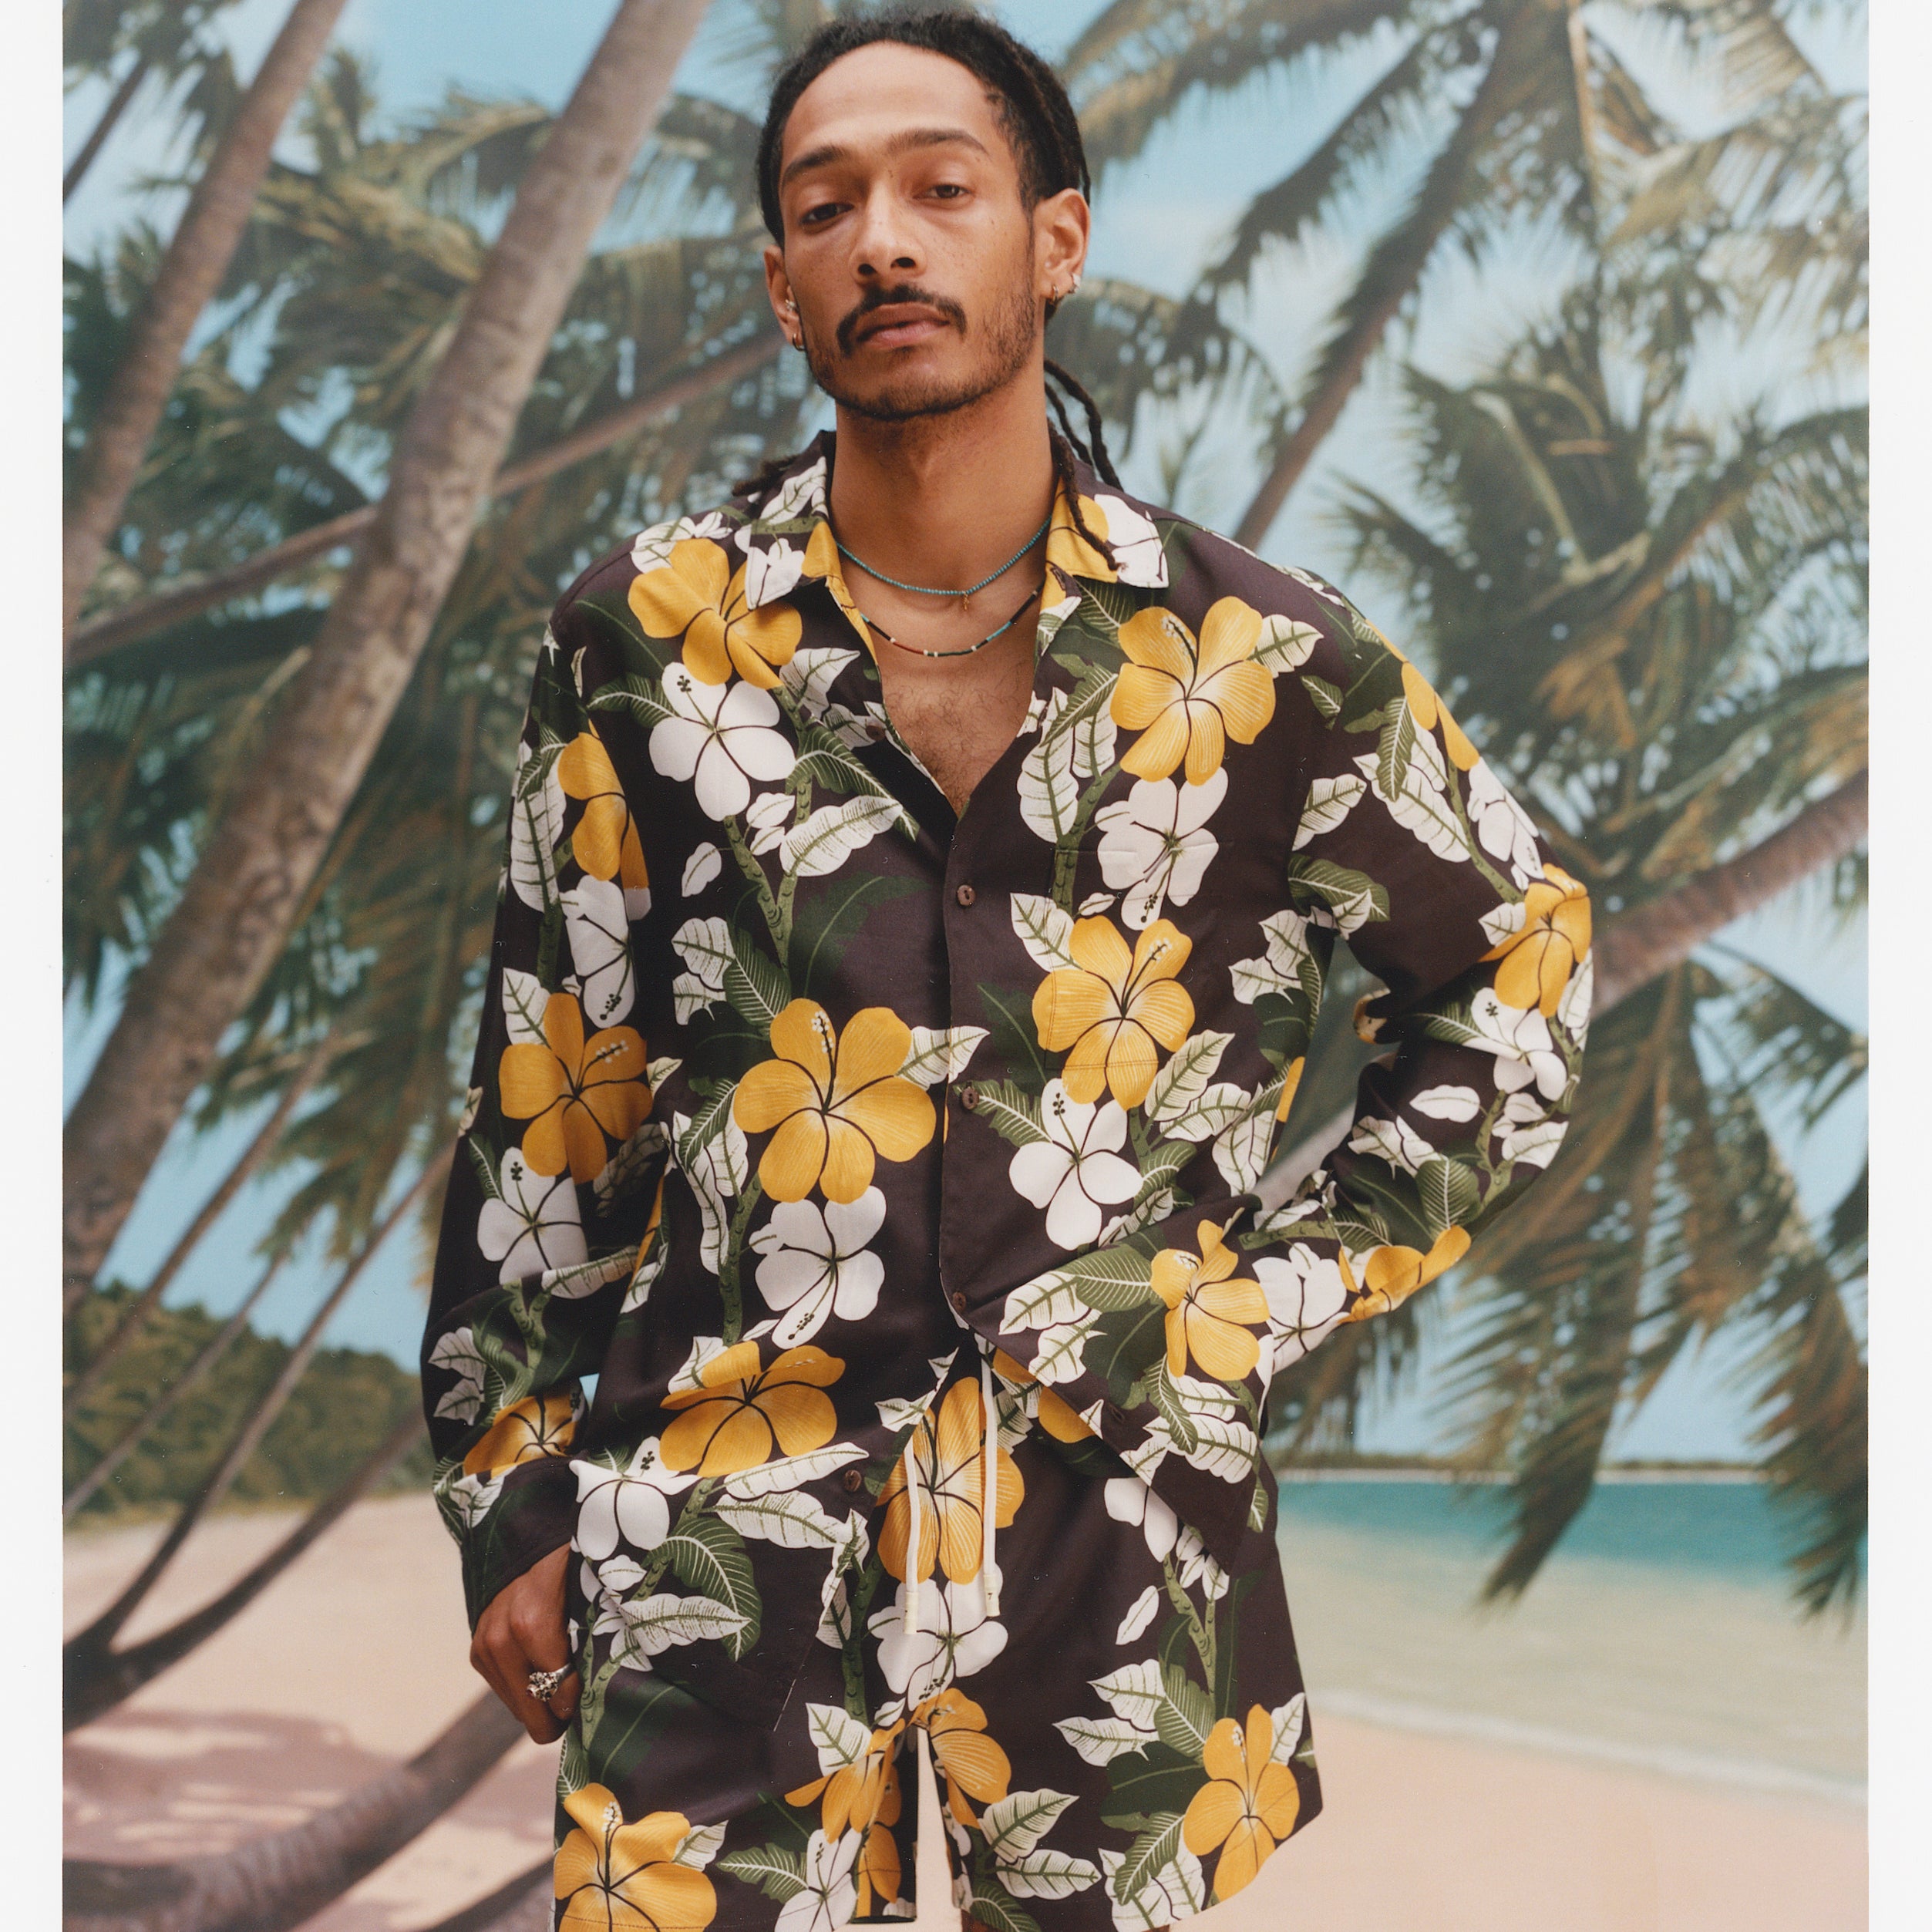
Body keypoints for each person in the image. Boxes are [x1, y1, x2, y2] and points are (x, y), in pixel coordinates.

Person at [419, 12, 1594, 1930]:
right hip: (724, 1523)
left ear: (1054, 240)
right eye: (826, 206)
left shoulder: (1260, 661)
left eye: (939, 188)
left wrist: (1264, 1293)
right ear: (781, 287)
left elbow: (1516, 968)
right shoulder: (642, 639)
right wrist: (508, 1487)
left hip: (1116, 1547)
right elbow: (554, 1086)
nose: (882, 238)